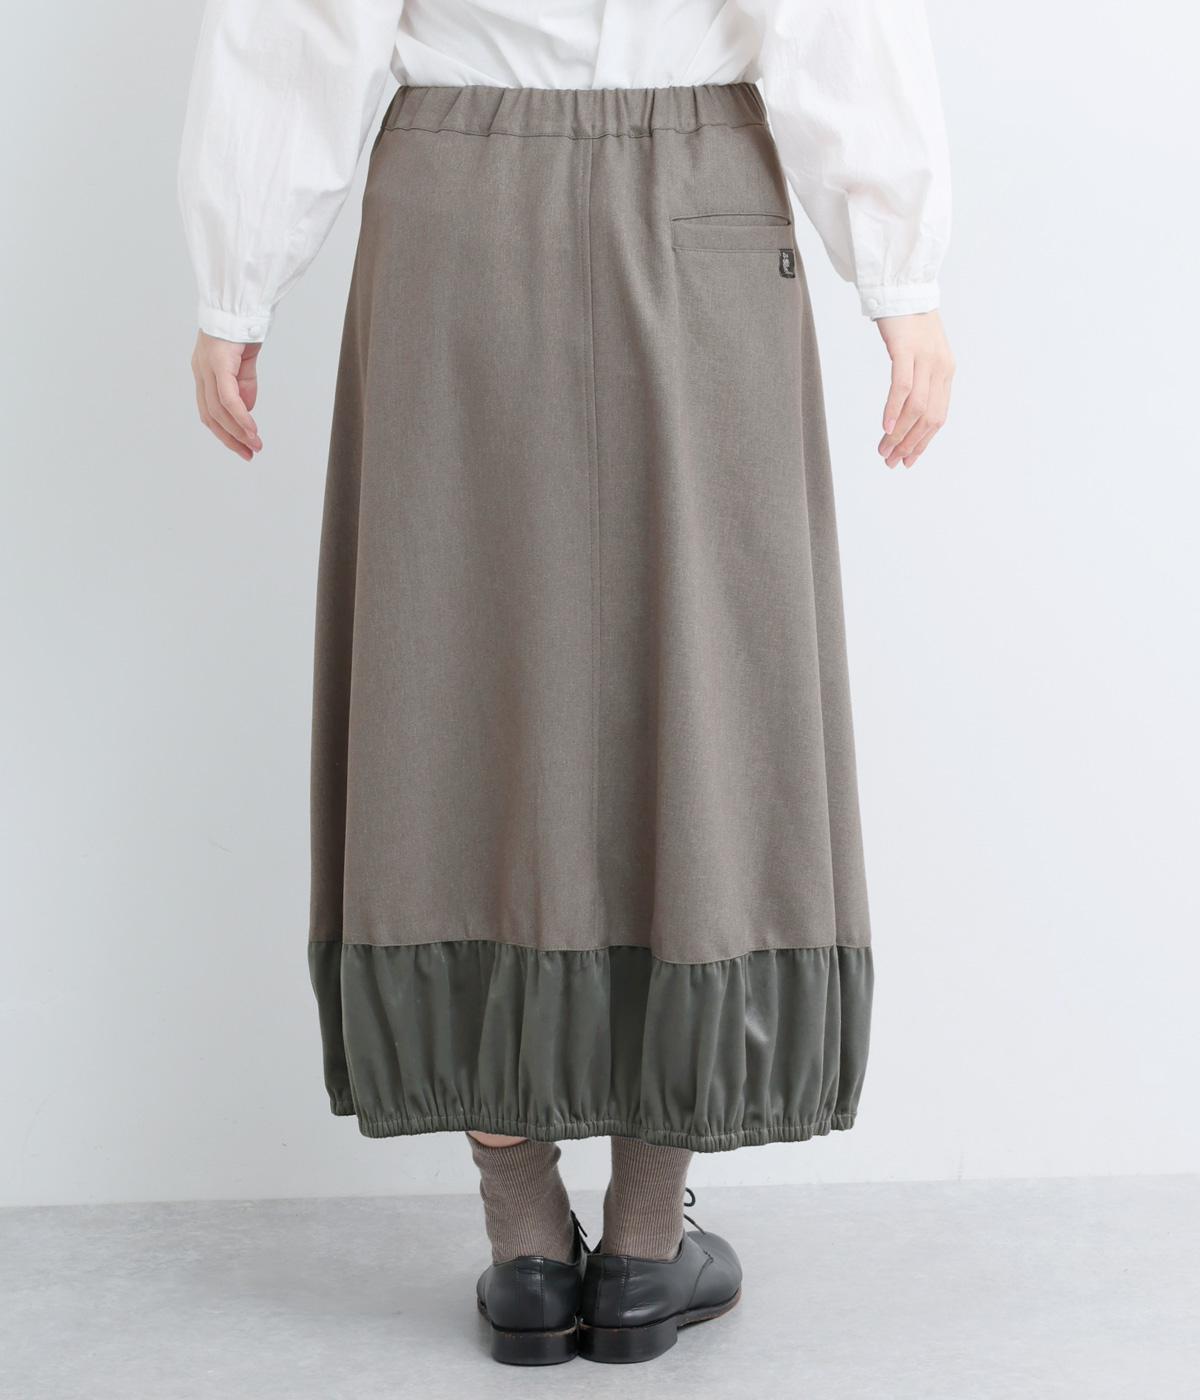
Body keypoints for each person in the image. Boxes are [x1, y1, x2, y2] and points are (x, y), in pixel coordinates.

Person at [178, 0, 953, 1368]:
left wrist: (236, 287)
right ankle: (645, 1252)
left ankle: (528, 1247)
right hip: (697, 189)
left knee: (455, 693)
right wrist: (903, 280)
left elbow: (303, 24)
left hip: (458, 207)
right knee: (701, 692)